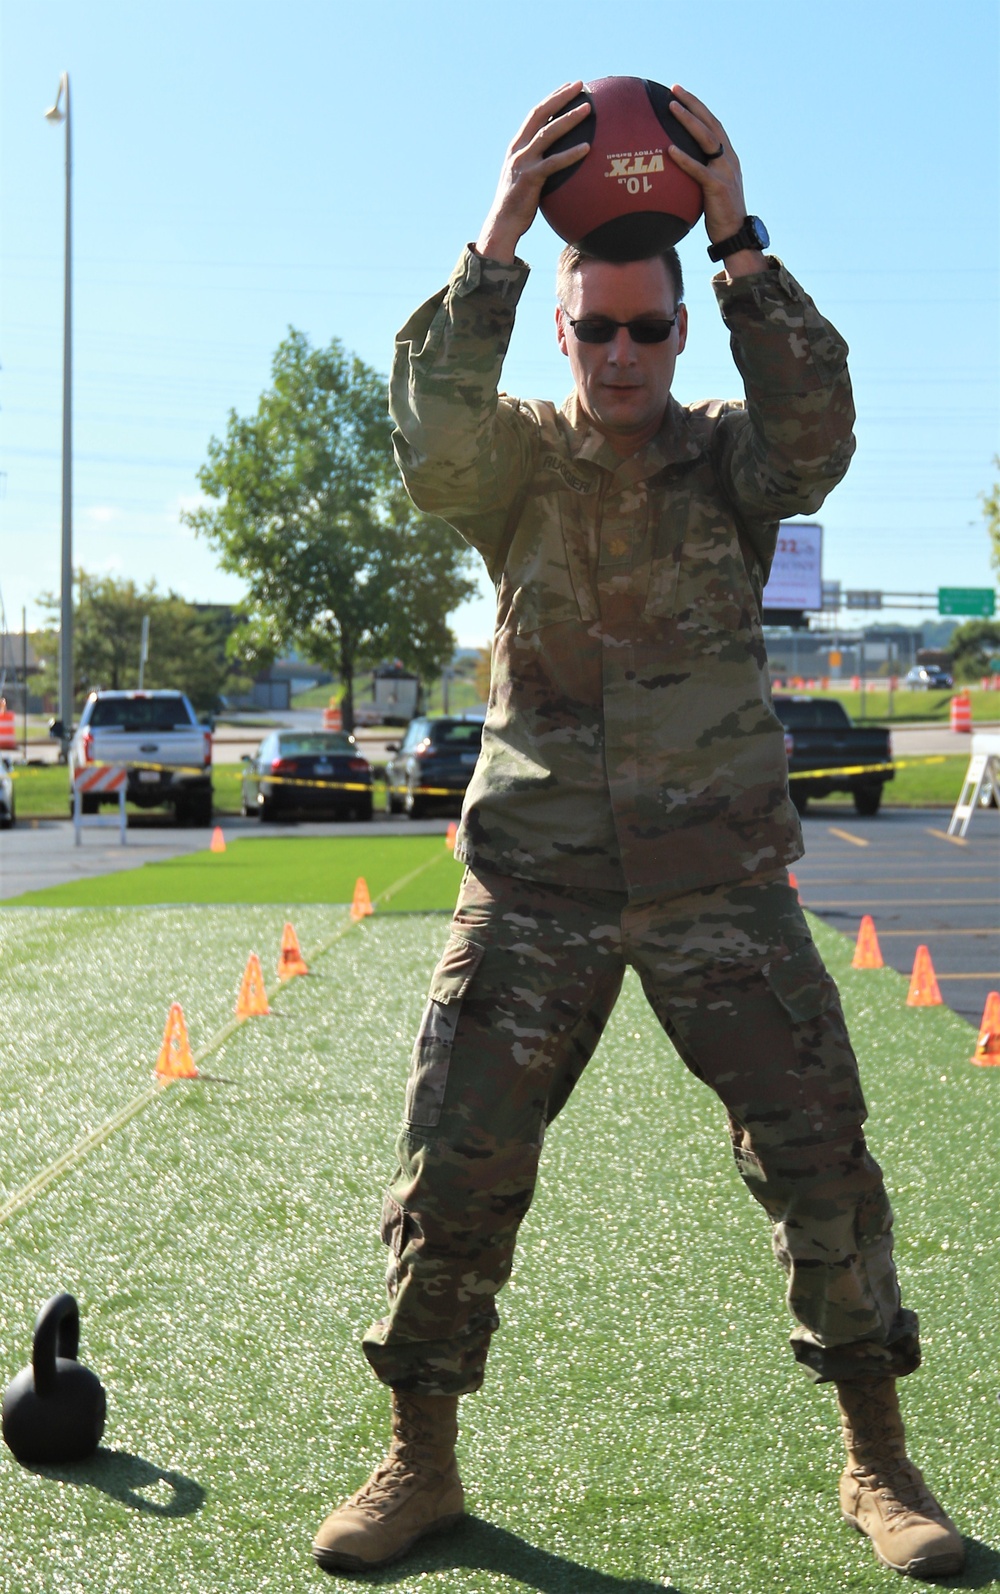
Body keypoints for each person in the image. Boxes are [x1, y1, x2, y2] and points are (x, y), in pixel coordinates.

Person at [313, 82, 963, 1580]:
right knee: (456, 1168)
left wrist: (733, 232)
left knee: (822, 1162)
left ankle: (879, 1463)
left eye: (646, 329)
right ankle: (419, 1464)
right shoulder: (519, 465)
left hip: (718, 887)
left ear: (682, 333)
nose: (621, 355)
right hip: (536, 886)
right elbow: (429, 440)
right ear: (562, 332)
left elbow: (823, 424)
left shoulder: (735, 461)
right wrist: (494, 232)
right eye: (595, 328)